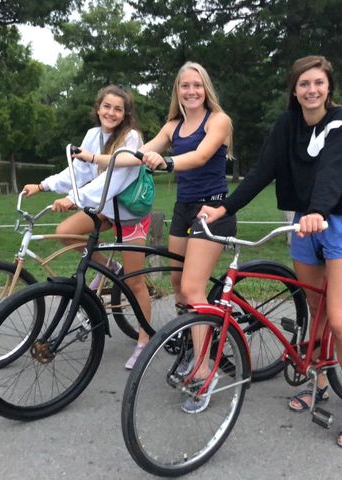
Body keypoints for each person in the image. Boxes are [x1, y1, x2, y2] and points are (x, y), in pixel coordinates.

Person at [199, 55, 342, 448]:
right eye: (303, 84)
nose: (311, 90)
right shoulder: (286, 125)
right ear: (294, 90)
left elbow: (333, 171)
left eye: (318, 83)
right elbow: (262, 171)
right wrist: (224, 207)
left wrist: (316, 211)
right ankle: (321, 382)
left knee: (341, 320)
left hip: (341, 224)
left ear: (329, 87)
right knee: (316, 311)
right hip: (303, 225)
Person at [22, 85, 152, 369]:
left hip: (129, 213)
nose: (111, 112)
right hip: (104, 207)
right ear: (98, 108)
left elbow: (113, 181)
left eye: (118, 108)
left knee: (135, 282)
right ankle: (109, 267)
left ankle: (145, 340)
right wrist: (43, 185)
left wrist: (74, 198)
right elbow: (78, 171)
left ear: (125, 113)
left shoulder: (132, 138)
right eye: (107, 106)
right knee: (65, 233)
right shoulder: (93, 135)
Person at [135, 61, 237, 414]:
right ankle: (197, 344)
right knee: (179, 286)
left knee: (193, 289)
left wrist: (166, 162)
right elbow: (141, 152)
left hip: (214, 209)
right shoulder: (173, 125)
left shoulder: (218, 120)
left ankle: (205, 370)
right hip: (184, 209)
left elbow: (201, 155)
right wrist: (95, 159)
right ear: (177, 92)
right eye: (184, 86)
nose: (190, 91)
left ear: (205, 88)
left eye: (196, 85)